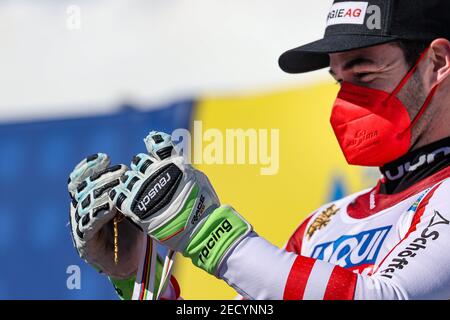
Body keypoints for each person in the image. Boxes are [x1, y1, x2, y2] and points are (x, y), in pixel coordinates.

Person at [68, 0, 450, 299]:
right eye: (338, 81)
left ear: (438, 62)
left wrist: (208, 233)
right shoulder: (324, 224)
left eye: (364, 74)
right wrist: (142, 277)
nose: (346, 100)